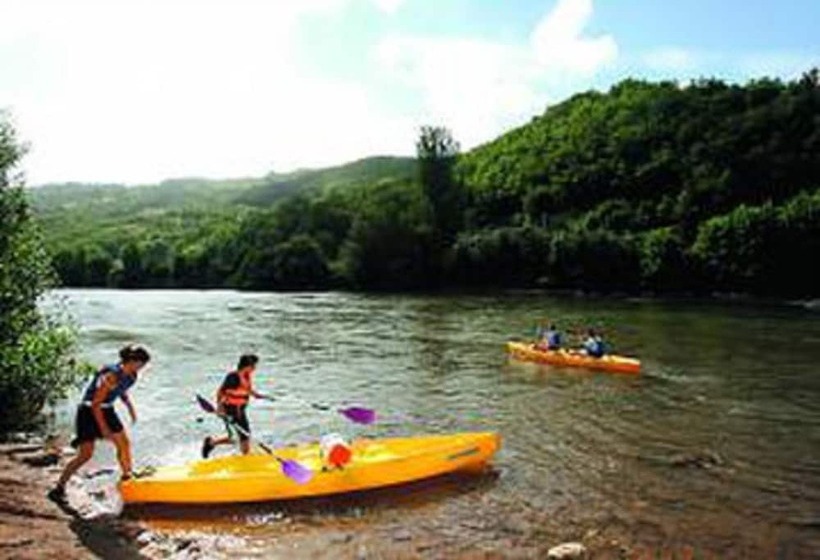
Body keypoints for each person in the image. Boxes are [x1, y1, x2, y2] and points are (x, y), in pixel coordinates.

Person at [48, 344, 151, 503]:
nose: (143, 367)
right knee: (85, 455)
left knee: (124, 444)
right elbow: (96, 403)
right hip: (89, 411)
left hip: (107, 409)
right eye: (141, 363)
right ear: (131, 361)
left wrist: (129, 406)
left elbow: (120, 389)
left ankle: (127, 476)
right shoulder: (111, 375)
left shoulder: (132, 375)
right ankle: (59, 488)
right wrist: (103, 429)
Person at [201, 354, 269, 458]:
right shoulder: (233, 377)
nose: (255, 368)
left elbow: (245, 389)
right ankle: (212, 444)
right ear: (247, 366)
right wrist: (220, 408)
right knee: (240, 436)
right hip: (230, 409)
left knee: (244, 435)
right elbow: (221, 392)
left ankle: (212, 443)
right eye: (253, 366)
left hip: (240, 409)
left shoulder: (245, 376)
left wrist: (255, 395)